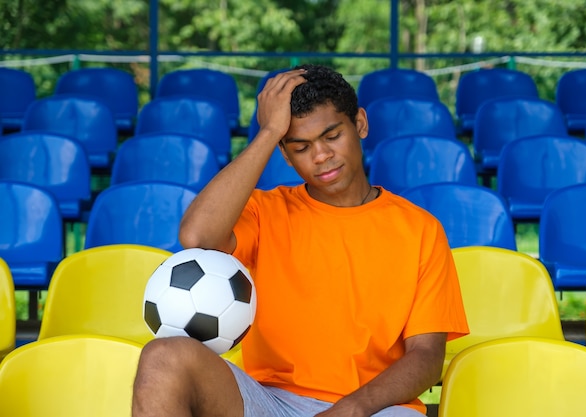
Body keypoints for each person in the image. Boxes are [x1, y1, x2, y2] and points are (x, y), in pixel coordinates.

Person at [132, 64, 469, 417]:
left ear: (360, 124)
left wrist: (352, 408)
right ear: (285, 153)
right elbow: (196, 236)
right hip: (271, 401)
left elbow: (427, 358)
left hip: (375, 407)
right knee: (162, 356)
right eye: (301, 146)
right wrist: (269, 131)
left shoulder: (420, 229)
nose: (321, 155)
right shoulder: (265, 212)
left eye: (332, 135)